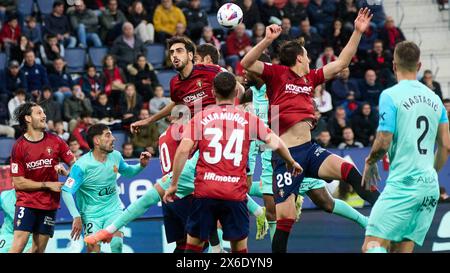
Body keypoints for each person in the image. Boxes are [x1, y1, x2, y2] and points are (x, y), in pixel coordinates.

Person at [241, 8, 379, 253]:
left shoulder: (310, 79)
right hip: (285, 158)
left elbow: (342, 63)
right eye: (306, 55)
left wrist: (357, 32)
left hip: (310, 150)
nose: (309, 58)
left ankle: (384, 215)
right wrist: (267, 40)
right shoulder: (277, 74)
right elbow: (246, 63)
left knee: (349, 170)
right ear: (299, 58)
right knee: (285, 221)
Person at [163, 71, 302, 253]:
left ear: (213, 92)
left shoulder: (201, 117)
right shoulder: (249, 119)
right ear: (237, 92)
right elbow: (275, 142)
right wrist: (291, 161)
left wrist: (173, 184)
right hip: (235, 195)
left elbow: (183, 150)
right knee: (239, 250)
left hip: (205, 192)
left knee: (193, 247)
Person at [361, 41, 450, 253]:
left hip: (404, 185)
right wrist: (430, 173)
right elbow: (445, 146)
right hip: (429, 187)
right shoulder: (436, 100)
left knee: (371, 246)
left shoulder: (390, 95)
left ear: (394, 66)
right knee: (400, 250)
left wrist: (370, 160)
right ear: (419, 66)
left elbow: (384, 139)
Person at [61, 124, 151, 253]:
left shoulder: (116, 156)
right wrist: (76, 216)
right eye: (108, 135)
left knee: (117, 245)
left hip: (113, 210)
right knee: (93, 250)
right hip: (91, 215)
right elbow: (66, 192)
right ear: (97, 141)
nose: (114, 138)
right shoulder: (81, 165)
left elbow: (127, 172)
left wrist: (141, 166)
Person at [9, 102, 75, 253]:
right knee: (18, 246)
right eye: (39, 113)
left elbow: (75, 167)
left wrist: (67, 174)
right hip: (27, 202)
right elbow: (18, 182)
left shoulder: (56, 141)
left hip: (49, 204)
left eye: (44, 112)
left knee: (38, 250)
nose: (44, 115)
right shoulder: (19, 147)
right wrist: (47, 185)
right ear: (28, 118)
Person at [0, 164, 33, 253]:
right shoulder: (4, 197)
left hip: (29, 238)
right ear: (12, 182)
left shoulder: (37, 200)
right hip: (7, 235)